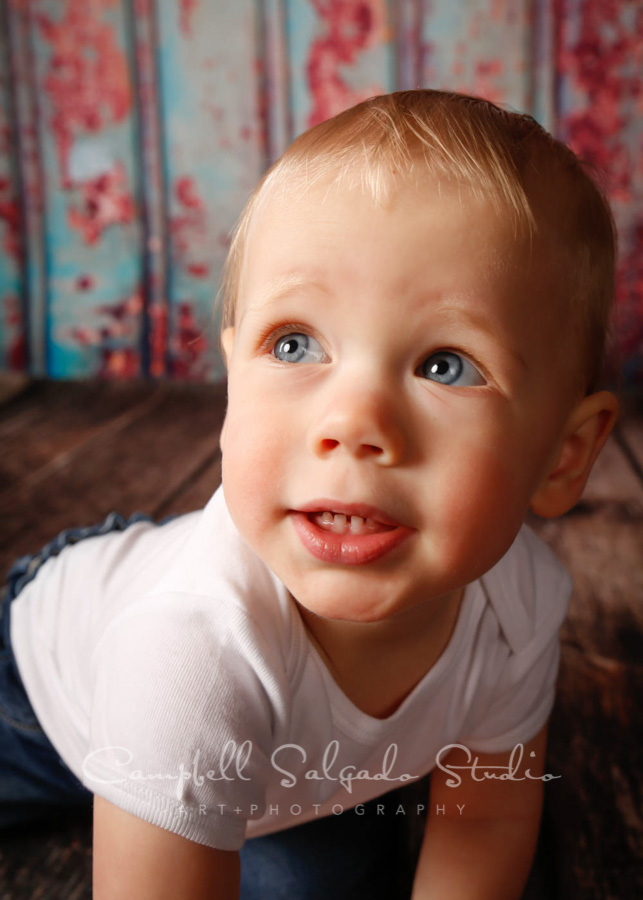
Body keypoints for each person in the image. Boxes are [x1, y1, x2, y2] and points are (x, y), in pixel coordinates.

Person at [0, 90, 619, 899]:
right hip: (39, 691)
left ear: (562, 456)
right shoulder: (188, 653)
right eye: (294, 343)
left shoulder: (520, 606)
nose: (352, 423)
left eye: (446, 365)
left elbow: (482, 817)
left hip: (293, 772)